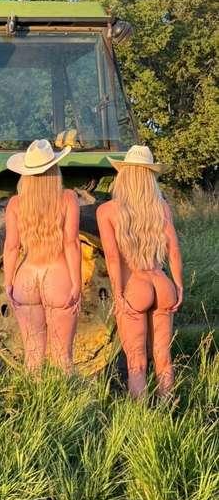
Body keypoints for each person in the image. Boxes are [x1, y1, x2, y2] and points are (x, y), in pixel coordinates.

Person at [96, 145, 184, 399]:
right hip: (161, 283)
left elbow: (112, 257)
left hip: (135, 285)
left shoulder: (108, 211)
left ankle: (141, 418)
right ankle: (168, 409)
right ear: (149, 177)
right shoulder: (161, 207)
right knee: (163, 357)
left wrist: (118, 293)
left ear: (124, 175)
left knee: (136, 362)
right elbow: (174, 252)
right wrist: (178, 286)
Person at [4, 139, 81, 373]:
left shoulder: (16, 203)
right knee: (62, 357)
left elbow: (11, 247)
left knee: (32, 357)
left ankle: (36, 407)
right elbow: (71, 243)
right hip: (57, 276)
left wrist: (8, 283)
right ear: (54, 170)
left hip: (26, 277)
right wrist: (77, 283)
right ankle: (64, 406)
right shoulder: (67, 198)